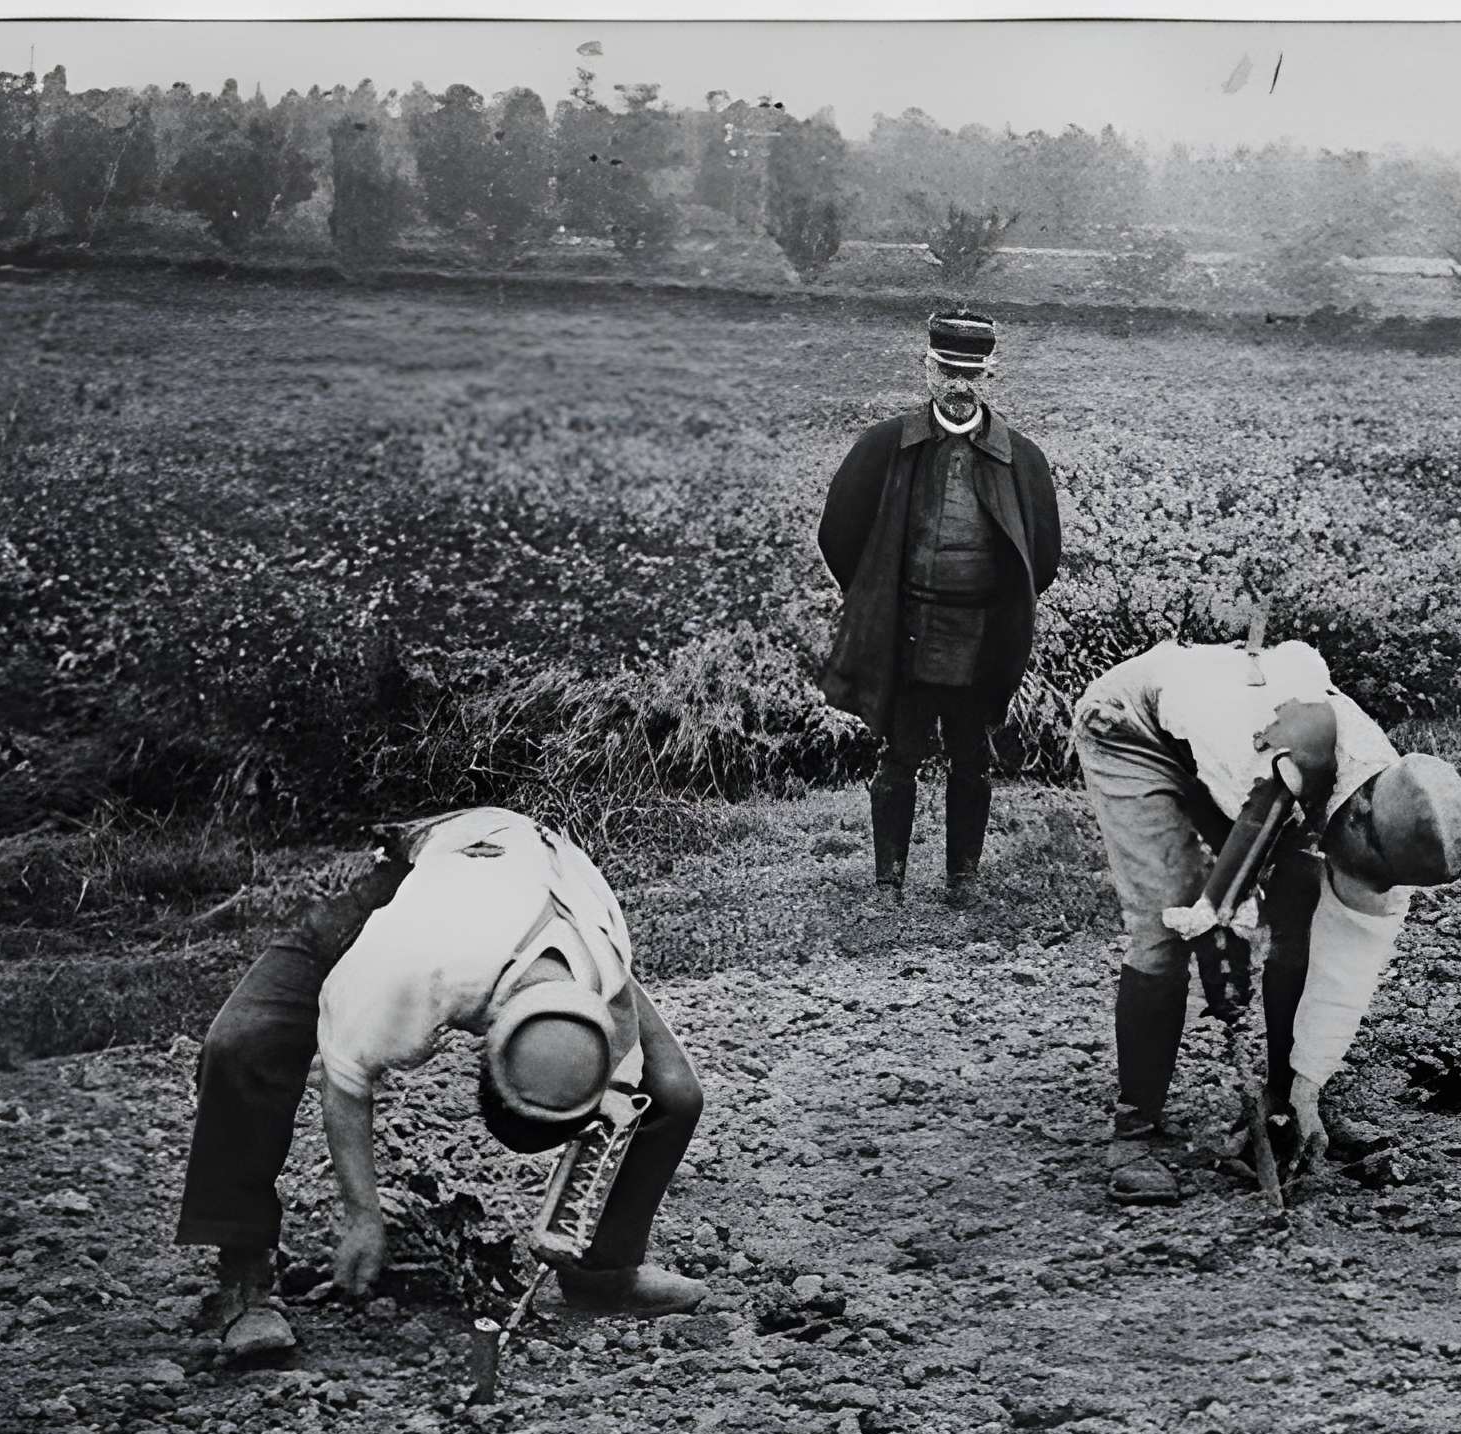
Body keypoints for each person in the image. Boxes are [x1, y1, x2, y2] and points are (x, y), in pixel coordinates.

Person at [174, 807, 710, 1358]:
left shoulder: (603, 962)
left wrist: (571, 1217)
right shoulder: (410, 963)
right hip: (417, 875)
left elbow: (621, 1092)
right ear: (487, 1032)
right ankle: (242, 1284)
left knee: (672, 1090)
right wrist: (364, 1216)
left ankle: (604, 1274)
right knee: (241, 1044)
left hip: (545, 881)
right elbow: (346, 1079)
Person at [1072, 602, 1461, 1206]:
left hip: (1261, 772)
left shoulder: (1395, 807)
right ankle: (1137, 1131)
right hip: (1138, 728)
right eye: (1358, 865)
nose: (1358, 881)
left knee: (1302, 922)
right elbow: (1231, 876)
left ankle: (1282, 1103)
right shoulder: (1278, 752)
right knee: (1168, 920)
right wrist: (1220, 927)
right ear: (1358, 813)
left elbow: (1347, 965)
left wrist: (1308, 1089)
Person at [815, 308, 1062, 904]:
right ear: (926, 369)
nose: (959, 385)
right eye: (947, 370)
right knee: (898, 755)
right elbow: (838, 533)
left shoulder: (1020, 458)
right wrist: (879, 597)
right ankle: (887, 881)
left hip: (978, 636)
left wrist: (1000, 614)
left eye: (971, 374)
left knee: (971, 758)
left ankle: (963, 879)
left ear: (991, 376)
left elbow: (1043, 557)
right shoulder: (887, 445)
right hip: (905, 631)